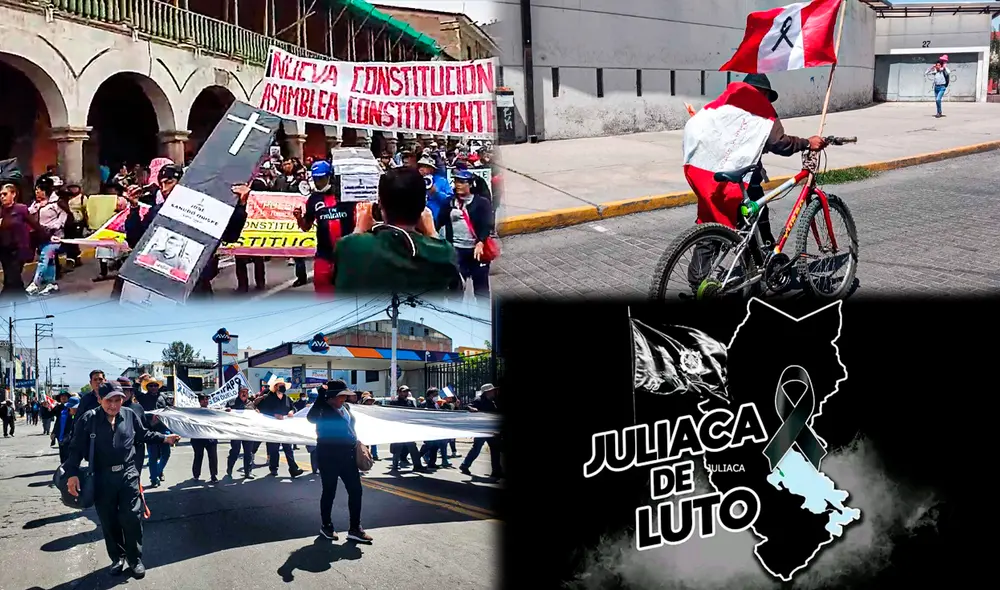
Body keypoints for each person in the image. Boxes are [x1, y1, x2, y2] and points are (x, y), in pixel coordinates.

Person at [63, 382, 181, 579]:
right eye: (109, 400)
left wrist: (164, 438)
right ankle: (117, 557)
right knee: (109, 520)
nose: (114, 405)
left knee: (132, 518)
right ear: (99, 399)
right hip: (101, 477)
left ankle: (135, 559)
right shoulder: (88, 419)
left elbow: (143, 434)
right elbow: (75, 448)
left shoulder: (129, 415)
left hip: (128, 474)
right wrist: (72, 473)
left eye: (118, 400)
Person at [123, 163, 251, 295]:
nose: (164, 189)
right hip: (160, 285)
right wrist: (134, 208)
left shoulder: (204, 210)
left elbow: (231, 236)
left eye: (169, 182)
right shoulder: (157, 212)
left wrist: (241, 205)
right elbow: (135, 241)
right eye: (161, 185)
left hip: (196, 287)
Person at [333, 167, 461, 293]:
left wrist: (359, 229)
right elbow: (453, 272)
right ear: (423, 207)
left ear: (380, 204)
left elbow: (345, 256)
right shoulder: (442, 253)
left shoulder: (351, 246)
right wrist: (431, 232)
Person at [307, 380, 373, 543]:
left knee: (356, 490)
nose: (343, 399)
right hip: (328, 456)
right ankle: (326, 526)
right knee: (329, 491)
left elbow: (351, 427)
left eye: (344, 395)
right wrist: (320, 397)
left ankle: (355, 528)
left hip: (348, 455)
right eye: (340, 396)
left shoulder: (346, 408)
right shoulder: (322, 408)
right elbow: (311, 418)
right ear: (330, 397)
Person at [293, 160, 357, 295]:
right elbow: (306, 226)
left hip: (347, 253)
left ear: (330, 177)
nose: (318, 183)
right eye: (316, 179)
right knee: (322, 292)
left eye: (321, 179)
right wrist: (299, 217)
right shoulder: (313, 199)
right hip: (324, 254)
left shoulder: (346, 196)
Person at [437, 169, 495, 299]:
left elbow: (487, 224)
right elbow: (439, 222)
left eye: (462, 182)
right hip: (456, 250)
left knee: (481, 289)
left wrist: (481, 242)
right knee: (455, 290)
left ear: (470, 184)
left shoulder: (481, 203)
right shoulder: (449, 202)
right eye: (456, 181)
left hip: (477, 251)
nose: (458, 185)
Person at [1, 182, 49, 299]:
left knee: (12, 279)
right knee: (10, 281)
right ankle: (22, 302)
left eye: (5, 194)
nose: (2, 197)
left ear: (13, 194)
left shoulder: (21, 209)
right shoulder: (1, 211)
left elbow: (35, 225)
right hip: (4, 250)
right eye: (0, 195)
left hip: (19, 249)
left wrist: (48, 236)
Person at [256, 381, 305, 478]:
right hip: (273, 427)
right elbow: (261, 410)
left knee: (288, 448)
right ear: (275, 387)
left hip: (285, 427)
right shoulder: (269, 398)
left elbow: (293, 407)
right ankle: (273, 468)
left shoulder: (286, 398)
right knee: (274, 449)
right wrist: (274, 415)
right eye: (280, 385)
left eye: (283, 385)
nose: (282, 387)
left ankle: (293, 469)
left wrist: (291, 411)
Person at [460, 384, 503, 480]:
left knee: (495, 449)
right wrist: (472, 409)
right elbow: (467, 406)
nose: (494, 392)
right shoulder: (479, 400)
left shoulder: (492, 401)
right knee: (476, 448)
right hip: (482, 429)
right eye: (492, 390)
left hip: (491, 429)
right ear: (487, 391)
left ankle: (496, 471)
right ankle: (465, 465)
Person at [225, 386, 259, 479]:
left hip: (248, 431)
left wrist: (257, 412)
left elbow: (255, 416)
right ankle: (230, 467)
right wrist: (227, 411)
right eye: (242, 392)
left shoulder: (251, 404)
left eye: (246, 392)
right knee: (235, 451)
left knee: (248, 452)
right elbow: (224, 414)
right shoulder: (231, 403)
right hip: (236, 431)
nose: (244, 394)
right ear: (238, 393)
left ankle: (248, 472)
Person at [191, 393, 220, 483]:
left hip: (210, 437)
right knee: (198, 456)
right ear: (200, 401)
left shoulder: (211, 411)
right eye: (203, 399)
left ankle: (213, 475)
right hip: (198, 438)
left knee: (213, 457)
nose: (205, 401)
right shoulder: (195, 412)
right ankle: (196, 475)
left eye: (207, 399)